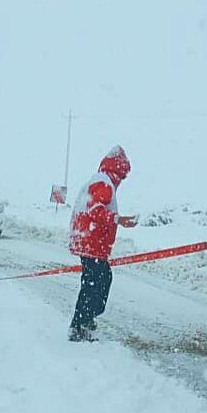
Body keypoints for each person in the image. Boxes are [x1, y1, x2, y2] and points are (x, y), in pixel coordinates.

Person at [68, 145, 138, 342]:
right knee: (94, 284)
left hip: (89, 242)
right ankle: (81, 324)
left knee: (97, 280)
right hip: (91, 243)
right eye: (122, 176)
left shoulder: (100, 180)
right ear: (116, 171)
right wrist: (118, 219)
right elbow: (94, 210)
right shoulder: (104, 183)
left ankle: (84, 320)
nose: (122, 181)